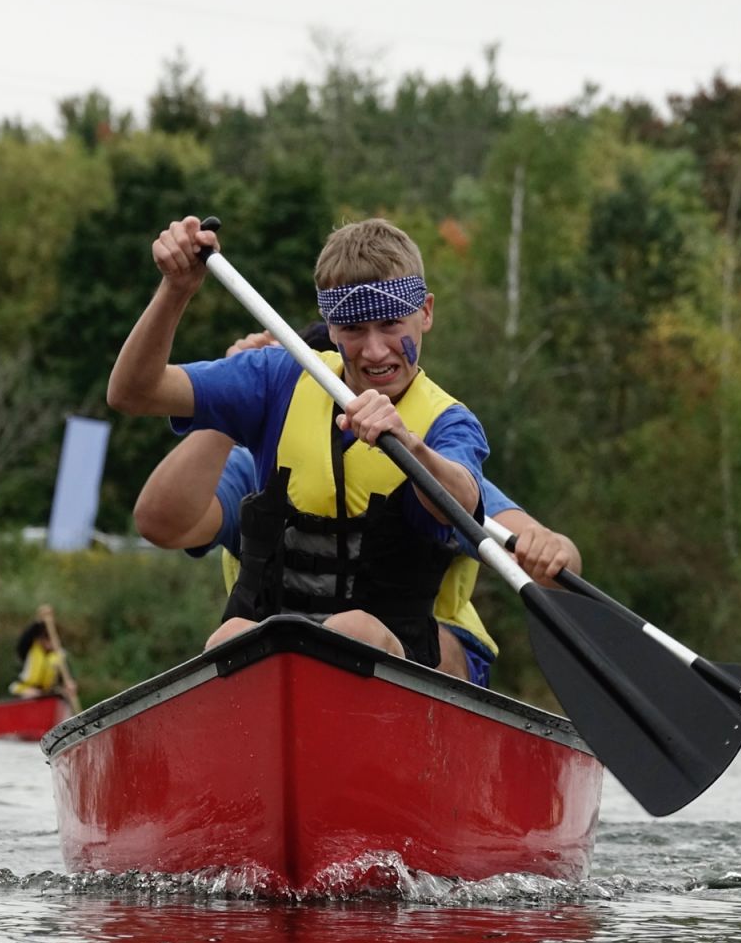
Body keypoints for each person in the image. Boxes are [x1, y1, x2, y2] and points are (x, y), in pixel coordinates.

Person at [108, 215, 491, 668]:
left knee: (354, 629)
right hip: (277, 660)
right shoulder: (278, 377)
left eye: (391, 325)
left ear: (425, 313)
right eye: (352, 329)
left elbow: (463, 502)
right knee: (230, 634)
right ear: (330, 328)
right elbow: (132, 391)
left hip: (392, 663)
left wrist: (411, 446)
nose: (373, 351)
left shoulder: (449, 422)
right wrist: (176, 291)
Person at [133, 326, 580, 688]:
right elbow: (163, 524)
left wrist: (551, 546)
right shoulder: (257, 458)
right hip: (281, 648)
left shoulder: (432, 462)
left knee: (356, 636)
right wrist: (230, 407)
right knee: (236, 639)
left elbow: (548, 560)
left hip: (424, 647)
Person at [10, 604, 79, 713]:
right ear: (39, 639)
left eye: (49, 639)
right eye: (44, 638)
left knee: (64, 695)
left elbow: (67, 677)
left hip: (46, 694)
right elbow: (27, 635)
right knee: (30, 696)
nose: (47, 642)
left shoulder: (60, 656)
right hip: (25, 689)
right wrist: (40, 620)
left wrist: (70, 685)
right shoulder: (28, 649)